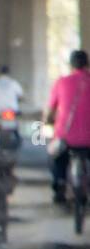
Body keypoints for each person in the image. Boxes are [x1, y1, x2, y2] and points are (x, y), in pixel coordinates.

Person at [46, 50, 90, 204]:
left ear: (71, 65)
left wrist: (48, 121)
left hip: (66, 137)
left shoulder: (62, 82)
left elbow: (51, 109)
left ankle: (59, 185)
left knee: (58, 158)